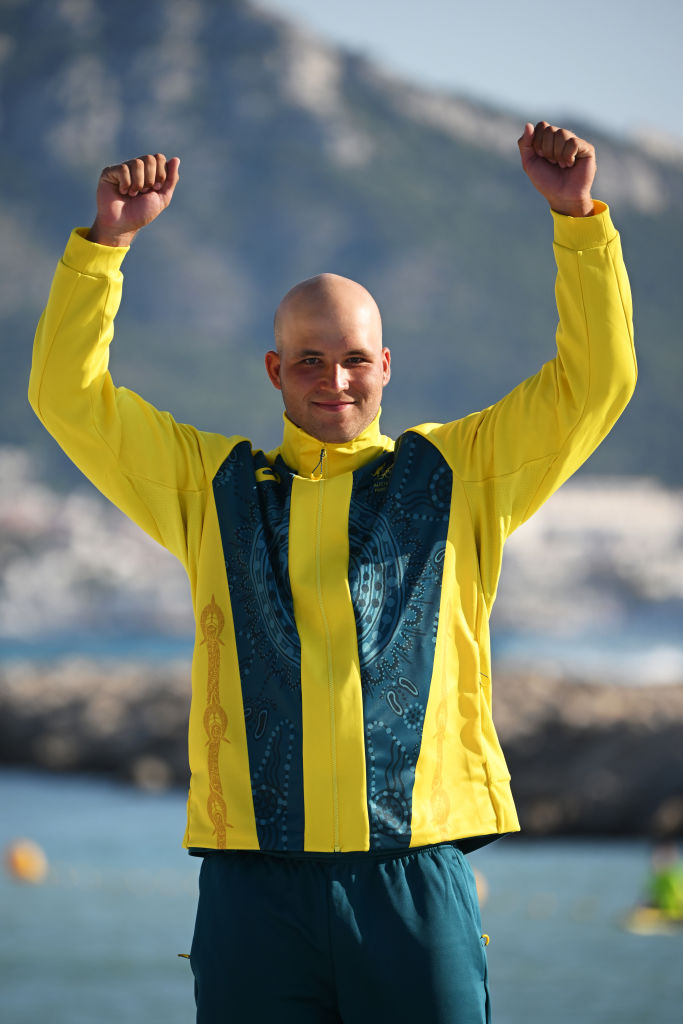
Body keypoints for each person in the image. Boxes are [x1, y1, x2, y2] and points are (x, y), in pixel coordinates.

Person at [29, 120, 636, 1023]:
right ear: (274, 370)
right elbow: (66, 399)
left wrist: (578, 222)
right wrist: (106, 246)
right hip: (253, 888)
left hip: (413, 878)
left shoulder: (455, 475)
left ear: (385, 366)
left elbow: (595, 384)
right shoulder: (213, 487)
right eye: (309, 360)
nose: (335, 380)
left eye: (355, 359)